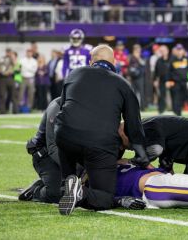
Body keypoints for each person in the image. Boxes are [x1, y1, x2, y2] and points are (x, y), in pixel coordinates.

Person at [55, 45, 148, 215]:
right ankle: (81, 192)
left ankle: (66, 185)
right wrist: (141, 154)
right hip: (99, 144)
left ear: (92, 61)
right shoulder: (123, 84)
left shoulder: (74, 74)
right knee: (104, 197)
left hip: (65, 137)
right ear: (114, 62)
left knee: (66, 181)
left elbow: (62, 108)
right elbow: (133, 124)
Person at [120, 115, 188, 179]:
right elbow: (166, 155)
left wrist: (130, 162)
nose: (124, 148)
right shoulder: (142, 127)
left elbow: (156, 149)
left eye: (121, 143)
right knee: (183, 187)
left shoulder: (146, 127)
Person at [19, 98, 62, 203]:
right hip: (44, 155)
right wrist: (72, 168)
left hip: (66, 154)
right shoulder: (56, 107)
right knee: (56, 194)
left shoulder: (83, 107)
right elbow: (52, 147)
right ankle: (36, 191)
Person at [166, 44, 188, 117]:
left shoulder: (186, 59)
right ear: (176, 51)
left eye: (180, 50)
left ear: (183, 51)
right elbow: (169, 72)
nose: (179, 52)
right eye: (178, 50)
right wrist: (169, 81)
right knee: (177, 99)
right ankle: (177, 114)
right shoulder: (172, 60)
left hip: (185, 82)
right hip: (176, 83)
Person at [0, 48, 18, 114]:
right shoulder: (1, 59)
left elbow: (16, 66)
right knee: (2, 95)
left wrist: (12, 58)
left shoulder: (13, 59)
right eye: (7, 52)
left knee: (13, 95)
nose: (8, 53)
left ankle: (15, 111)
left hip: (11, 78)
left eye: (9, 52)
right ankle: (2, 110)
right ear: (5, 52)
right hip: (2, 78)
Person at [128, 44, 146, 109]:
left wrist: (138, 58)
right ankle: (135, 106)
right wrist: (129, 75)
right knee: (134, 92)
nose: (138, 50)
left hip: (140, 77)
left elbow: (143, 64)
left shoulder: (141, 56)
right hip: (133, 76)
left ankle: (143, 107)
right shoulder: (131, 56)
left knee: (141, 92)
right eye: (136, 49)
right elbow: (129, 66)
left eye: (138, 49)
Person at [154, 45, 170, 114]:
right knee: (161, 96)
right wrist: (155, 80)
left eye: (164, 51)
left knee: (174, 95)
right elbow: (156, 72)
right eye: (161, 51)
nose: (162, 52)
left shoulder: (171, 59)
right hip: (162, 80)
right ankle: (161, 110)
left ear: (167, 51)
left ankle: (174, 109)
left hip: (171, 80)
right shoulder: (159, 60)